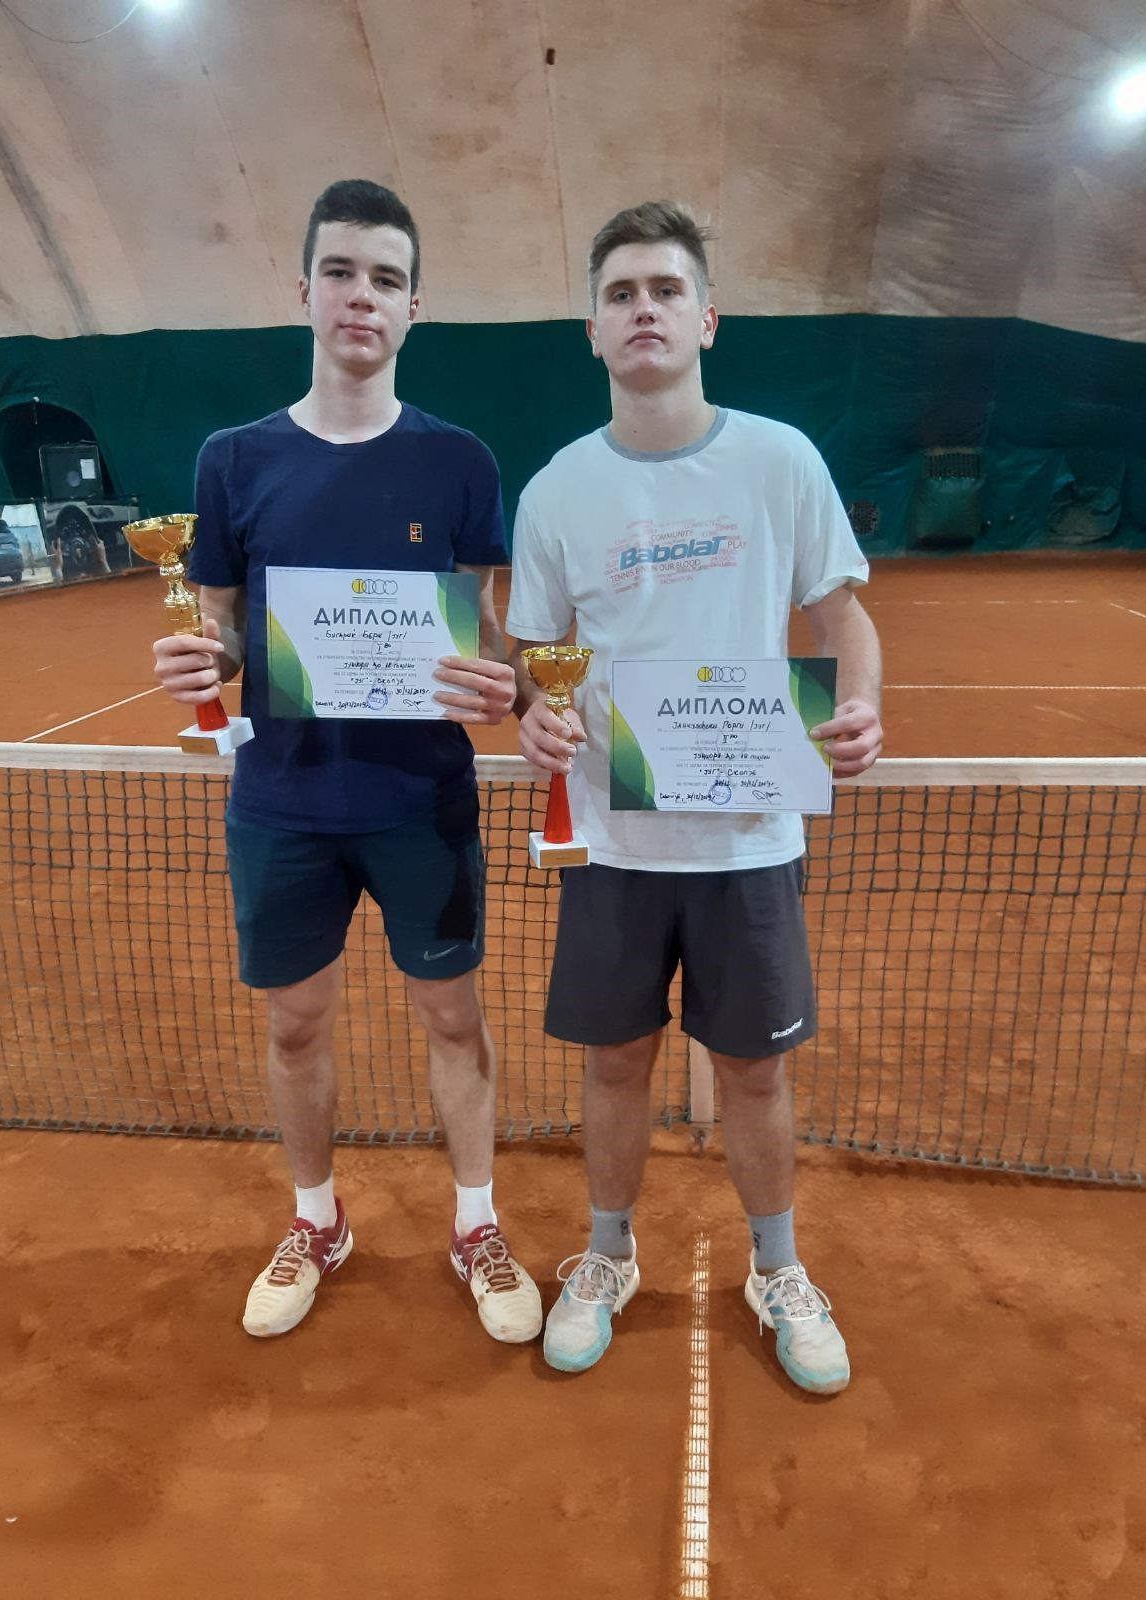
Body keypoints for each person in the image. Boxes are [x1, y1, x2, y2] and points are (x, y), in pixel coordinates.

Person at [152, 180, 541, 1346]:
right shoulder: (233, 460)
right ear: (305, 290)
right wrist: (202, 658)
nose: (361, 295)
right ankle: (317, 1221)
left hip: (422, 802)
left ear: (414, 306)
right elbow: (223, 626)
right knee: (295, 1025)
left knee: (454, 1019)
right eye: (340, 271)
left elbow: (487, 635)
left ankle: (475, 1222)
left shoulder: (461, 461)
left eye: (385, 278)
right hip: (283, 803)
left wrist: (504, 681)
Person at [507, 201, 883, 1393]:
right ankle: (607, 1254)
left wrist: (862, 703)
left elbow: (843, 616)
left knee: (756, 1074)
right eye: (621, 294)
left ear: (707, 317)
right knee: (616, 1064)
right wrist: (531, 711)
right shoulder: (557, 489)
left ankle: (778, 1268)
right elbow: (534, 656)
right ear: (592, 329)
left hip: (748, 840)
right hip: (611, 844)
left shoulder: (781, 460)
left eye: (666, 290)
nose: (644, 311)